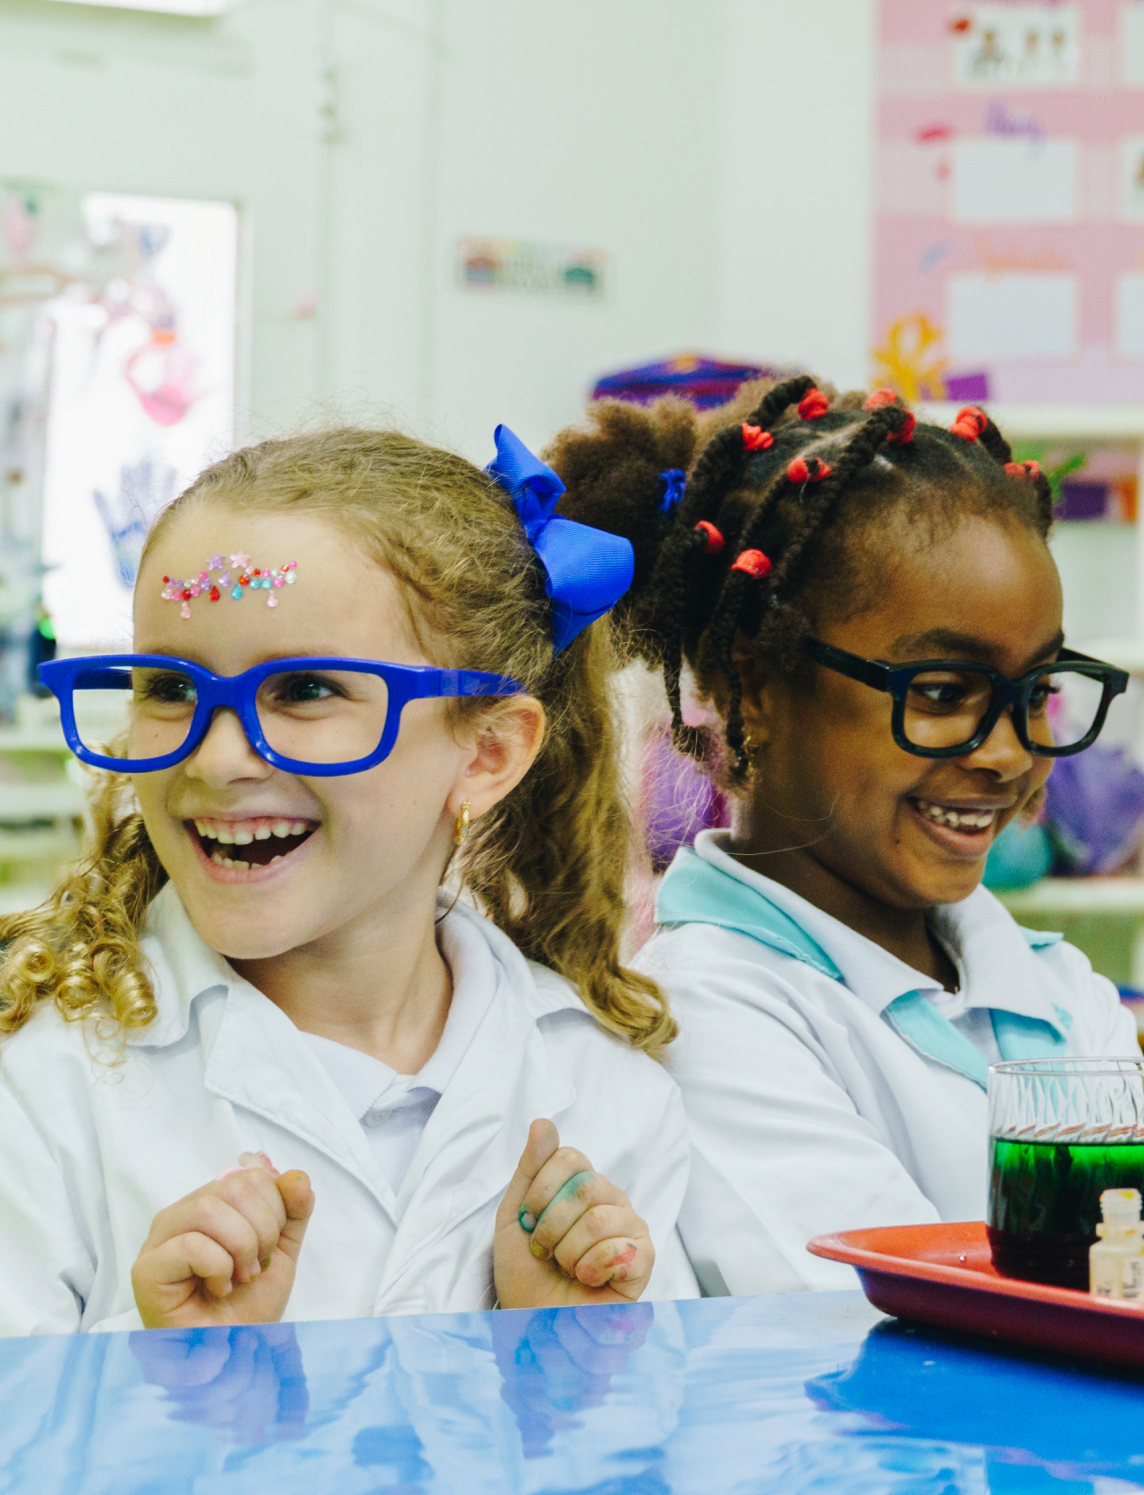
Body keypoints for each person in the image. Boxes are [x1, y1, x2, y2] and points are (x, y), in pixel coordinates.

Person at [0, 426, 693, 1334]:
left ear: (487, 752)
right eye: (169, 687)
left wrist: (561, 1359)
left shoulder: (603, 1088)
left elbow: (672, 1417)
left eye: (305, 691)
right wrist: (167, 1368)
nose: (217, 758)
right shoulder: (38, 1079)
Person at [544, 377, 1138, 1296]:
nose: (1008, 754)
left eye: (1034, 693)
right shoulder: (703, 1014)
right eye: (941, 693)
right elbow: (898, 1324)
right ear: (754, 686)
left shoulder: (1062, 993)